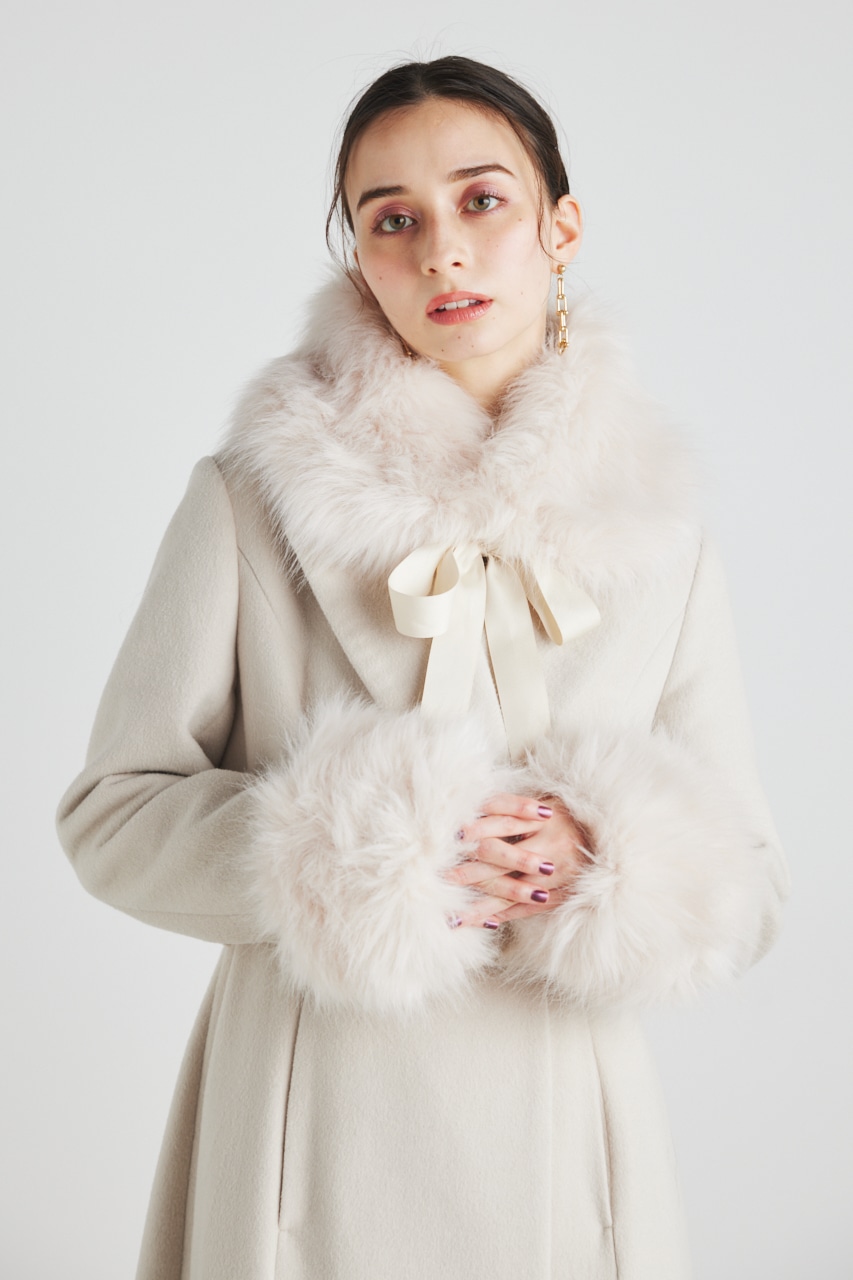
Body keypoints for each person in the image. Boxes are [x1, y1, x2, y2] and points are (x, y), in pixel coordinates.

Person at [56, 55, 789, 1280]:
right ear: (360, 259)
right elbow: (112, 815)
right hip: (306, 1125)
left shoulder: (659, 528)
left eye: (481, 200)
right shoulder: (252, 498)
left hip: (568, 1147)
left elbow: (750, 879)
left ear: (560, 227)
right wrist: (357, 850)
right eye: (392, 219)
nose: (441, 249)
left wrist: (609, 857)